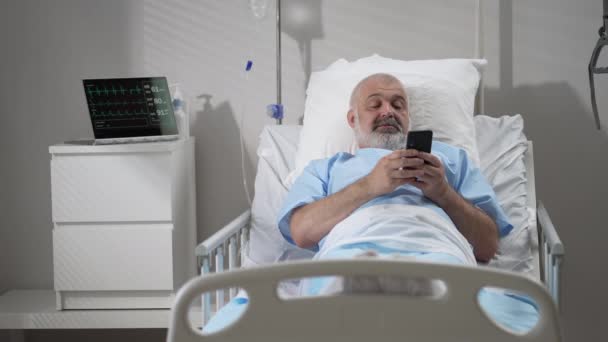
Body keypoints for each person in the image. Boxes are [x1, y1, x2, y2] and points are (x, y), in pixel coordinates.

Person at [277, 73, 512, 273]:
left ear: (408, 119)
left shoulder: (451, 160)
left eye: (398, 106)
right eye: (375, 105)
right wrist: (370, 185)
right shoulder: (325, 169)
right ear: (352, 118)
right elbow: (301, 232)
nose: (388, 111)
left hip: (437, 253)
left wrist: (443, 193)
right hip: (349, 256)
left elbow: (488, 246)